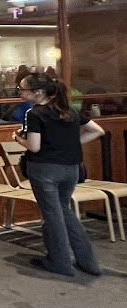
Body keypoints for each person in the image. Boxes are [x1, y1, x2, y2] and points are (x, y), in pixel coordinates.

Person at [14, 72, 105, 276]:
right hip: (71, 169)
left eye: (22, 89)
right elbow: (97, 130)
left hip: (45, 170)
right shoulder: (69, 110)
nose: (20, 92)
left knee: (53, 216)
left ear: (38, 92)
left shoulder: (35, 114)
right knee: (65, 212)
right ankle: (89, 262)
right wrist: (70, 144)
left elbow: (34, 147)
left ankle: (60, 262)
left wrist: (18, 139)